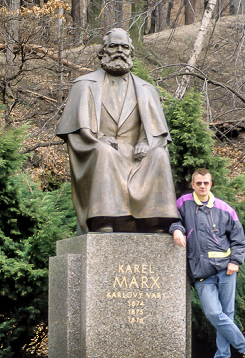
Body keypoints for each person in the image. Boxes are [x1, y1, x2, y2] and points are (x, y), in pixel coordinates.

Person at [55, 28, 178, 233]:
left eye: (125, 47)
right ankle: (104, 220)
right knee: (105, 152)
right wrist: (98, 138)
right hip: (100, 149)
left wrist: (146, 142)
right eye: (113, 46)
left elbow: (158, 133)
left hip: (136, 154)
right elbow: (75, 132)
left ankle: (154, 220)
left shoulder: (146, 89)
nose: (119, 51)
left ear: (131, 53)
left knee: (158, 154)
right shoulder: (84, 85)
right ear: (102, 51)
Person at [170, 168, 245, 358]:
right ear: (192, 184)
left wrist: (235, 261)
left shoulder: (225, 208)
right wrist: (176, 230)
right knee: (214, 313)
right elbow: (173, 220)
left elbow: (238, 238)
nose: (202, 186)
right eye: (198, 183)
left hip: (226, 269)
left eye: (206, 183)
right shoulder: (183, 203)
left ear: (211, 184)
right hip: (201, 271)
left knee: (227, 313)